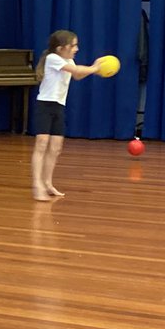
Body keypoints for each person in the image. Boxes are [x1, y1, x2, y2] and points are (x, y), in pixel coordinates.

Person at [32, 29, 103, 202]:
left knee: (55, 148)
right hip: (45, 105)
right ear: (60, 48)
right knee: (41, 144)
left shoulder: (68, 60)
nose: (76, 48)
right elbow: (76, 69)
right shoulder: (53, 59)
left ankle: (48, 183)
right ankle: (37, 185)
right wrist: (95, 68)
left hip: (58, 106)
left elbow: (77, 74)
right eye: (73, 45)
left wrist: (95, 68)